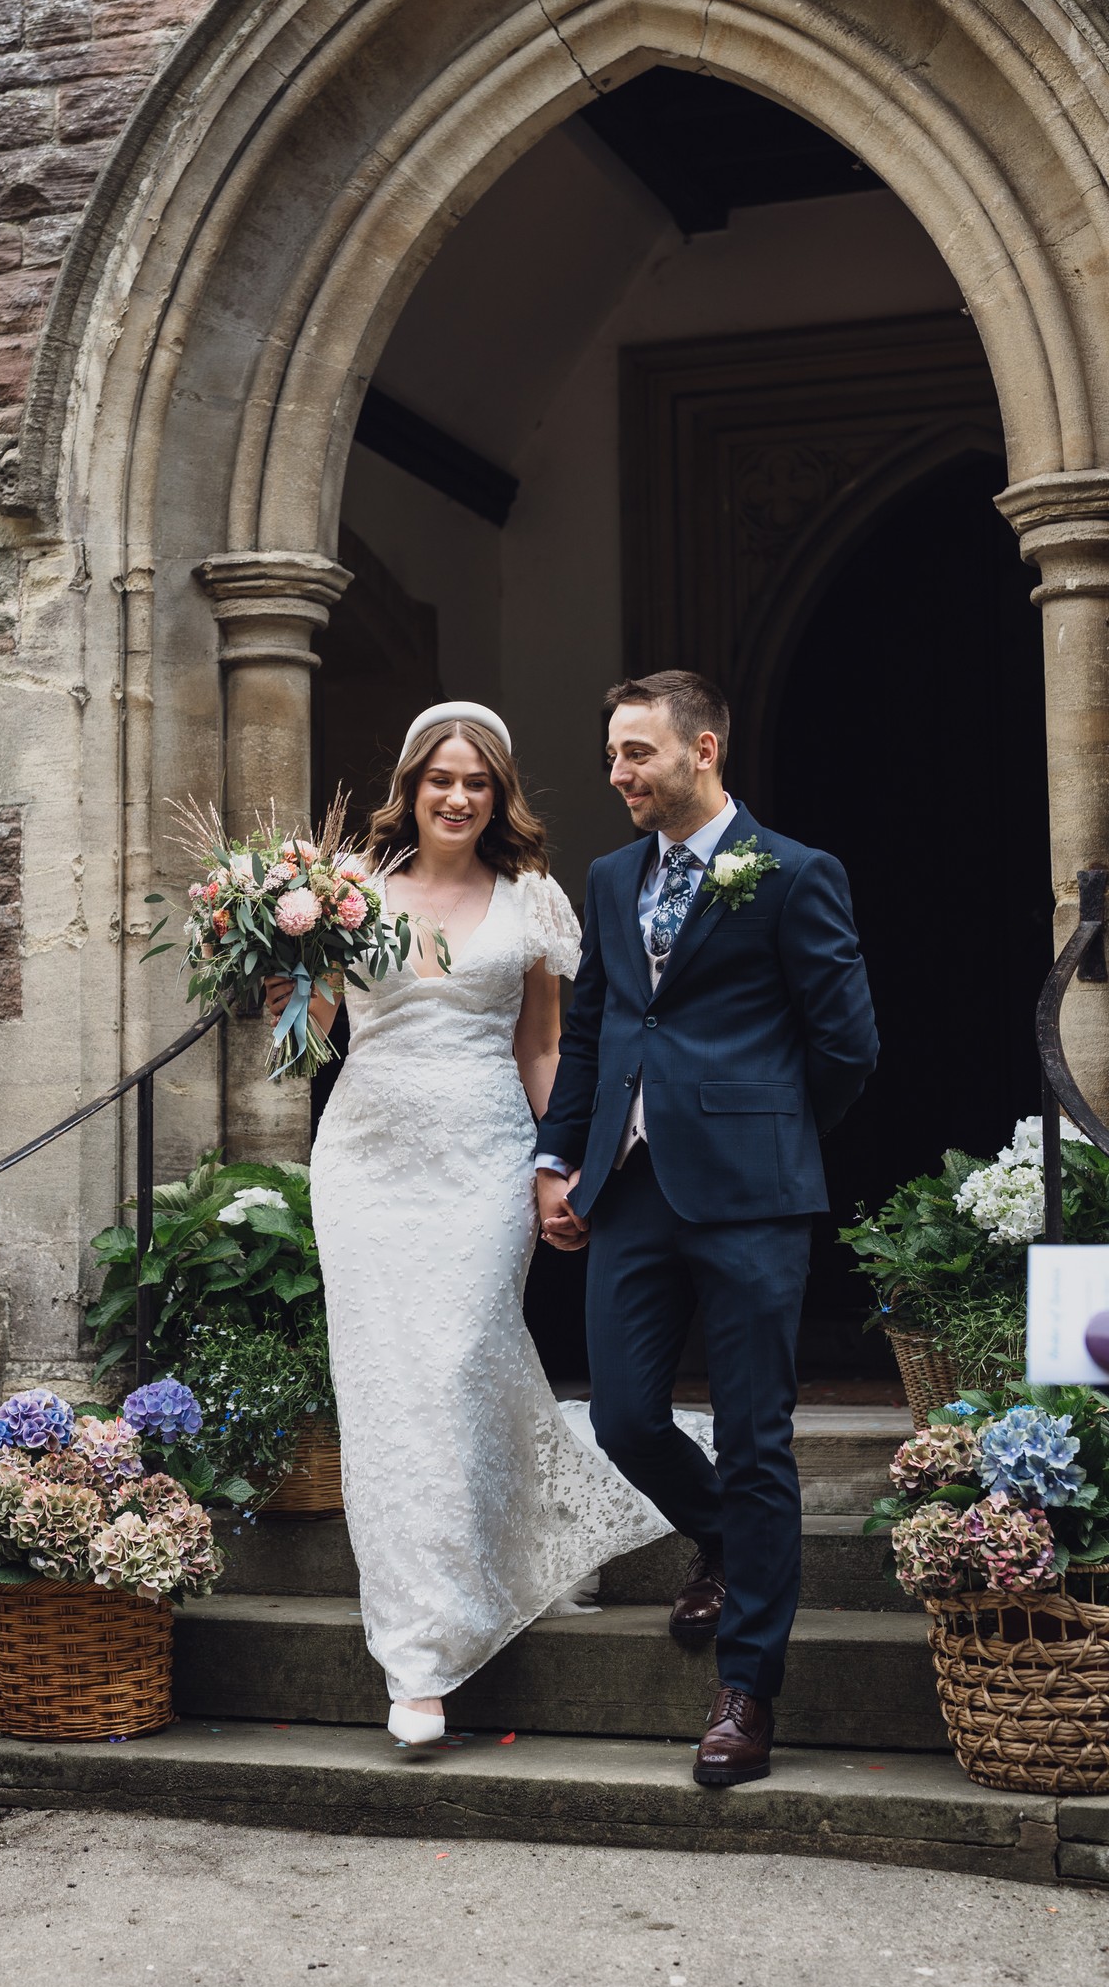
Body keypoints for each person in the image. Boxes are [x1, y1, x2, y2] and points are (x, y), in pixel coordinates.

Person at [278, 702, 712, 1748]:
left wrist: (560, 1164)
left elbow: (541, 1051)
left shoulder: (534, 901)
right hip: (367, 1161)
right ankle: (419, 1657)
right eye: (440, 780)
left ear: (498, 793)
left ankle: (507, 1561)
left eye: (476, 781)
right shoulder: (351, 896)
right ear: (411, 787)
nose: (458, 797)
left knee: (465, 1358)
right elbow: (315, 1032)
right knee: (389, 1386)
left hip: (481, 1157)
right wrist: (274, 946)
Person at [536, 672, 878, 1788]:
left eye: (637, 753)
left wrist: (764, 1129)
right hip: (627, 1191)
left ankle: (748, 1688)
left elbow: (847, 1045)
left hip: (752, 1196)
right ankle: (727, 1541)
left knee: (758, 1433)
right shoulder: (608, 875)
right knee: (626, 1416)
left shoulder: (793, 874)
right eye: (613, 757)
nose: (619, 775)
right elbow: (590, 1031)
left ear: (704, 751)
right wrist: (563, 1160)